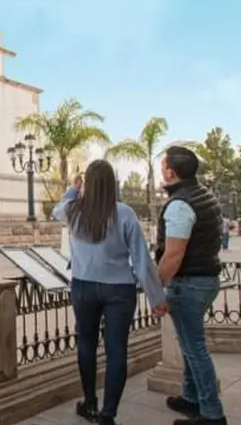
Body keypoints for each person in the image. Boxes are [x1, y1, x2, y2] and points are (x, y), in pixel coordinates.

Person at [53, 160, 167, 425]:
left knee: (86, 343)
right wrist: (156, 297)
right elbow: (141, 259)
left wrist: (73, 189)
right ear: (112, 184)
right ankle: (108, 414)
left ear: (88, 184)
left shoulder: (73, 211)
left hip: (83, 285)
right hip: (119, 288)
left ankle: (90, 402)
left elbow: (57, 209)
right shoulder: (124, 213)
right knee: (117, 349)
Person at [155, 146, 228, 425]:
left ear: (171, 172)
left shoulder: (180, 205)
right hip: (206, 277)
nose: (162, 170)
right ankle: (190, 396)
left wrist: (156, 288)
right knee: (188, 344)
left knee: (195, 347)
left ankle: (211, 412)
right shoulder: (203, 194)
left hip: (189, 283)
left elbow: (174, 254)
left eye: (163, 166)